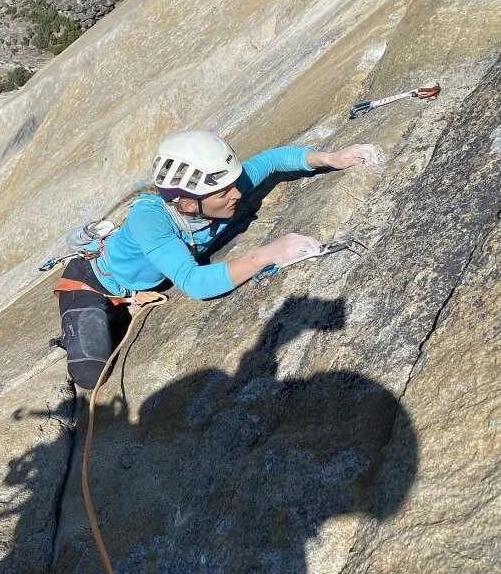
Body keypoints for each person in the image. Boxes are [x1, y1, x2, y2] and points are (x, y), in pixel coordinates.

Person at [56, 130, 377, 389]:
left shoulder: (218, 192)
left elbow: (273, 160)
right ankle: (89, 322)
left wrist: (329, 158)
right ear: (187, 202)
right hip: (94, 282)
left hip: (138, 278)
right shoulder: (150, 221)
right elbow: (195, 283)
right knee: (90, 376)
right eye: (223, 193)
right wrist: (268, 254)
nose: (236, 194)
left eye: (232, 186)